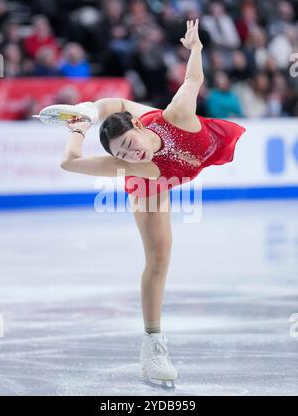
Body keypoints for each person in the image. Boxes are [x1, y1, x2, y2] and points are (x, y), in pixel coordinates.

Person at [50, 19, 246, 390]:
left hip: (184, 138)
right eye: (122, 152)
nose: (130, 151)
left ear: (139, 128)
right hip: (154, 178)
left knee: (119, 106)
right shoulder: (132, 164)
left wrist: (197, 50)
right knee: (158, 258)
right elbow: (69, 163)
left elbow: (192, 81)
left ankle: (94, 110)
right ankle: (152, 343)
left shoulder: (175, 116)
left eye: (129, 142)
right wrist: (78, 130)